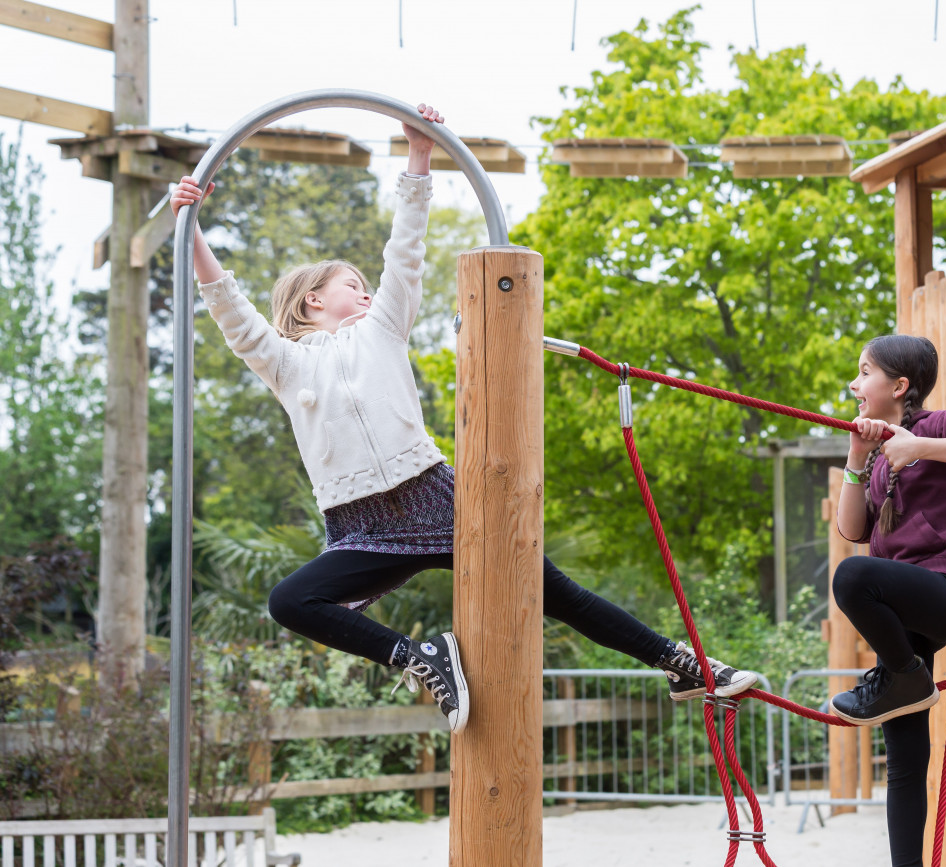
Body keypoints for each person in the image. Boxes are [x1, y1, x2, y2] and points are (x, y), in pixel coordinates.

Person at [170, 103, 757, 736]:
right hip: (362, 522)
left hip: (433, 494)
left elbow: (407, 253)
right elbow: (230, 310)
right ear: (313, 299)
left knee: (559, 595)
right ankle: (417, 657)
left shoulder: (384, 329)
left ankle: (682, 664)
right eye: (351, 284)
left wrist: (419, 154)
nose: (366, 290)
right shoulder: (285, 364)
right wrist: (191, 223)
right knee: (290, 601)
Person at [830, 333, 946, 867]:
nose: (854, 384)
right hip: (904, 614)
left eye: (864, 372)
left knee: (851, 580)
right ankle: (904, 678)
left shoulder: (941, 427)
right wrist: (856, 456)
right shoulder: (881, 457)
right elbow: (853, 528)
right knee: (904, 758)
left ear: (900, 385)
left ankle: (905, 677)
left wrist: (918, 445)